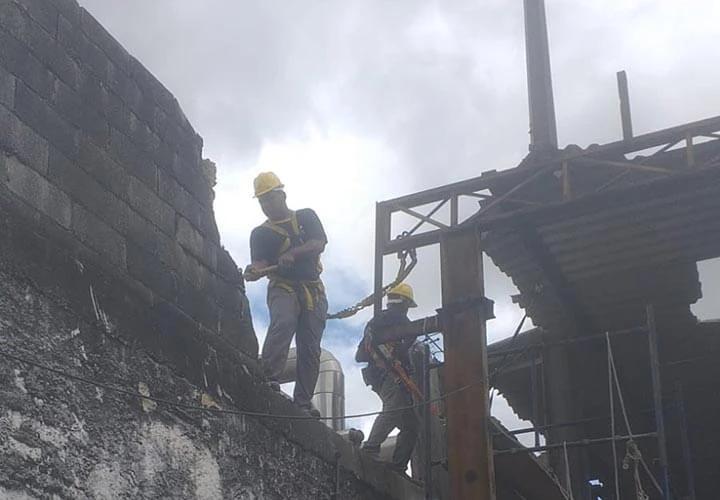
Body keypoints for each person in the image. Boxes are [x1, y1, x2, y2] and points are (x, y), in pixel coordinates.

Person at [244, 172, 328, 417]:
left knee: (310, 347)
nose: (266, 205)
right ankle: (268, 378)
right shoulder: (260, 234)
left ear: (282, 195)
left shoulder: (306, 217)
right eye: (262, 201)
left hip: (313, 290)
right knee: (284, 322)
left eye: (270, 199)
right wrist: (254, 271)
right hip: (283, 288)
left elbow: (319, 242)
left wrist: (294, 254)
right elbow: (260, 263)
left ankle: (302, 402)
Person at [355, 283, 420, 472]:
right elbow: (362, 354)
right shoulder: (393, 320)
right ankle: (370, 448)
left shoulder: (378, 322)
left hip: (389, 376)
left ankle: (399, 466)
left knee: (411, 426)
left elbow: (360, 355)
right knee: (394, 410)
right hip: (389, 375)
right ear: (404, 302)